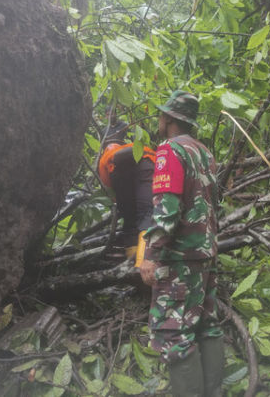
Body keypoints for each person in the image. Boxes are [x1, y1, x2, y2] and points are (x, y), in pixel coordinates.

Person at [138, 90, 224, 397]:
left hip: (179, 258)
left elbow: (167, 213)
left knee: (174, 334)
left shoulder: (169, 151)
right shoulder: (205, 153)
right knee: (207, 324)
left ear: (170, 119)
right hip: (206, 253)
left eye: (162, 115)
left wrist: (151, 254)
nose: (159, 120)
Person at [98, 119, 155, 261]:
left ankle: (133, 267)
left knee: (129, 220)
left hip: (114, 170)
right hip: (144, 163)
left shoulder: (105, 160)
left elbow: (112, 193)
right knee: (147, 213)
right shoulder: (133, 149)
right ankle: (141, 264)